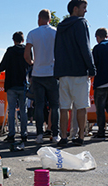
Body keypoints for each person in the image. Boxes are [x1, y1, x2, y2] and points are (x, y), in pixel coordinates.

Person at [54, 0, 96, 147]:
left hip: (63, 72)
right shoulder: (81, 23)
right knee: (81, 106)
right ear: (76, 8)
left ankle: (63, 137)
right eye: (84, 8)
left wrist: (58, 71)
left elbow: (57, 49)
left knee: (64, 107)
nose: (85, 11)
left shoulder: (61, 26)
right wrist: (91, 68)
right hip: (79, 71)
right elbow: (85, 47)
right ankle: (80, 137)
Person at [25, 9, 60, 144]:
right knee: (54, 105)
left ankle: (39, 134)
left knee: (39, 105)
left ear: (38, 19)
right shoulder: (56, 32)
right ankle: (55, 134)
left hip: (38, 73)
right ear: (50, 19)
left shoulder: (32, 33)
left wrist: (32, 62)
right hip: (52, 73)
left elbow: (26, 54)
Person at [0, 31, 29, 143]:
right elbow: (30, 64)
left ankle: (11, 134)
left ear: (13, 40)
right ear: (23, 40)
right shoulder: (26, 50)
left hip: (11, 84)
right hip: (23, 83)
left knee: (11, 110)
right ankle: (24, 134)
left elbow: (1, 67)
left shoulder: (10, 51)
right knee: (23, 110)